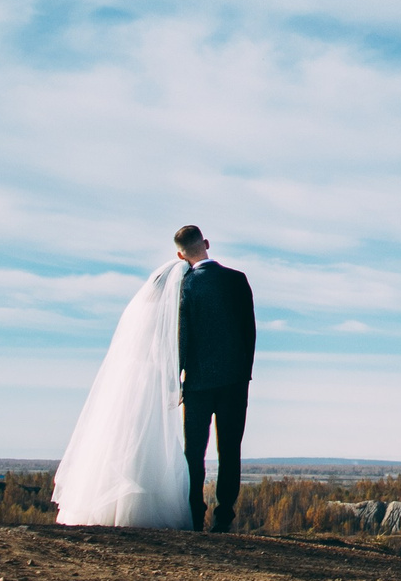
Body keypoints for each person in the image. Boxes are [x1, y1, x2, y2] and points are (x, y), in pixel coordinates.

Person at [52, 252, 192, 527]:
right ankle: (138, 512)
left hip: (131, 380)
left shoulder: (141, 310)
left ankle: (104, 507)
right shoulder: (167, 315)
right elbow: (167, 353)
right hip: (150, 380)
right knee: (147, 439)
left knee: (121, 435)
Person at [173, 224, 257, 532]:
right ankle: (224, 516)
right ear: (206, 243)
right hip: (235, 381)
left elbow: (183, 334)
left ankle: (196, 514)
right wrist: (243, 373)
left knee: (194, 450)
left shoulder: (186, 285)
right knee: (230, 448)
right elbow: (250, 331)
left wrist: (179, 375)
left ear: (181, 254)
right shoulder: (237, 280)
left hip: (196, 382)